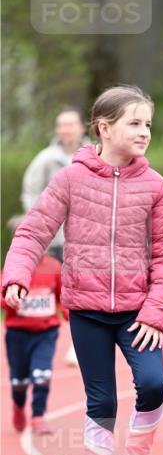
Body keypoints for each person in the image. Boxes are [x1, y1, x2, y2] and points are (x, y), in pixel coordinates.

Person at [2, 85, 163, 455]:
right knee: (101, 401)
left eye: (148, 125)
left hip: (140, 311)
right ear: (104, 127)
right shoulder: (70, 179)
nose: (144, 133)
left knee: (154, 385)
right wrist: (17, 275)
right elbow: (32, 232)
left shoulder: (154, 186)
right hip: (87, 309)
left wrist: (156, 312)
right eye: (134, 123)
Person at [22, 107, 89, 367]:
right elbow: (31, 192)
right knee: (62, 292)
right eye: (61, 125)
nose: (65, 130)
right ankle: (47, 343)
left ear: (81, 127)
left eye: (70, 125)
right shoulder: (45, 159)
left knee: (84, 289)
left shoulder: (94, 153)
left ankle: (78, 345)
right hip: (57, 239)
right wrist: (39, 226)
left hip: (87, 237)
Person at [2, 215, 68, 435]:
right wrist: (10, 298)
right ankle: (19, 406)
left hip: (45, 333)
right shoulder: (12, 267)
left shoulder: (53, 266)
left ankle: (38, 416)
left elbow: (62, 297)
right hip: (17, 334)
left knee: (42, 374)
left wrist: (72, 317)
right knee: (19, 381)